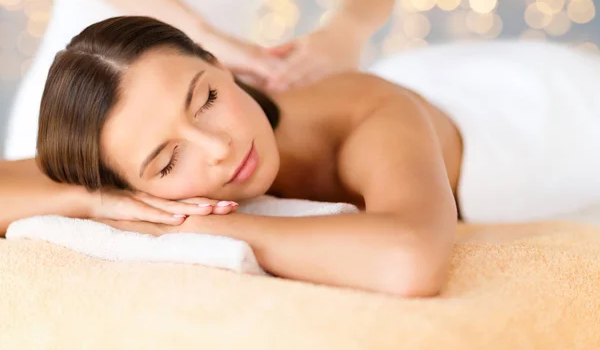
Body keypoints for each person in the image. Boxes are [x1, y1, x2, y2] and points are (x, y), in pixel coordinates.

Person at [2, 17, 599, 298]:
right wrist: (92, 198)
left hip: (547, 113)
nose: (219, 147)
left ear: (220, 64)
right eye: (165, 164)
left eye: (207, 97)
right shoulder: (121, 149)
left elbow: (409, 261)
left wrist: (200, 221)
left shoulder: (365, 116)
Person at [3, 0, 394, 160]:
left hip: (214, 96)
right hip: (78, 108)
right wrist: (201, 36)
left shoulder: (219, 123)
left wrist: (347, 30)